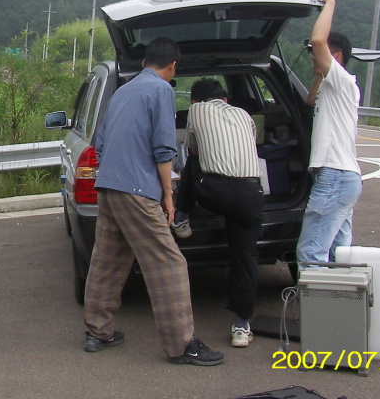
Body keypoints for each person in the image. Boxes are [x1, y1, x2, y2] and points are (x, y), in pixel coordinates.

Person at [82, 37, 223, 366]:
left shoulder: (121, 92)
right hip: (136, 189)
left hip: (108, 187)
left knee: (108, 262)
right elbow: (163, 149)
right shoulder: (162, 90)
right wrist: (168, 195)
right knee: (168, 263)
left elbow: (100, 144)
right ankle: (181, 344)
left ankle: (97, 332)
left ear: (146, 61)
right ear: (172, 66)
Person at [172, 78, 264, 348]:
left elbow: (195, 149)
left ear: (194, 101)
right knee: (245, 256)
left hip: (215, 192)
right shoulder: (245, 115)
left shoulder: (197, 111)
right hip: (251, 195)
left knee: (192, 161)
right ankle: (241, 325)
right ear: (225, 99)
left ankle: (182, 216)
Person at [296, 0, 362, 267]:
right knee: (338, 255)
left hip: (334, 177)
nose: (313, 58)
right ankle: (341, 307)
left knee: (311, 255)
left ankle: (316, 311)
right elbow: (310, 100)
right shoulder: (330, 86)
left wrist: (330, 3)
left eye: (317, 57)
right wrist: (318, 73)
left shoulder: (343, 81)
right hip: (342, 177)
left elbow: (317, 40)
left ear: (335, 58)